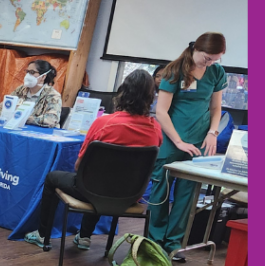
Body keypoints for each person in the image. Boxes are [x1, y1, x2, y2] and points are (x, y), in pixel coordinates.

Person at [23, 69, 163, 250]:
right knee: (106, 180)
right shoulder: (156, 130)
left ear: (122, 93)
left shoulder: (103, 124)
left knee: (60, 178)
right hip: (131, 196)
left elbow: (79, 165)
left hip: (91, 190)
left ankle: (43, 234)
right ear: (151, 98)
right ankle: (84, 236)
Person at [147, 32, 228, 261]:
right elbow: (161, 112)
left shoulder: (216, 72)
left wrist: (213, 133)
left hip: (199, 140)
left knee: (187, 195)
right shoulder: (174, 71)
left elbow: (216, 108)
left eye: (215, 58)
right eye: (207, 57)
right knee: (160, 192)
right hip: (173, 138)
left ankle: (174, 244)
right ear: (196, 49)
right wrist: (179, 141)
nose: (209, 62)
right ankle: (155, 242)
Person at [13, 59, 62, 127]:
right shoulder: (21, 90)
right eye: (27, 72)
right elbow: (1, 109)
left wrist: (24, 118)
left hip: (41, 133)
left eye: (32, 72)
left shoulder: (52, 95)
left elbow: (51, 119)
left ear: (43, 76)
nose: (28, 75)